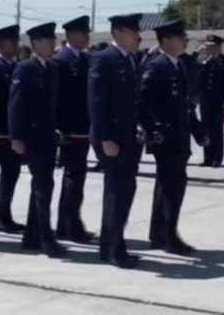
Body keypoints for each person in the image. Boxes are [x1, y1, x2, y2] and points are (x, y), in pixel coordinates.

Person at [138, 20, 209, 257]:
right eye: (181, 38)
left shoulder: (177, 65)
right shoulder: (156, 66)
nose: (184, 43)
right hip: (165, 139)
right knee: (172, 188)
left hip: (179, 137)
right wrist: (155, 128)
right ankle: (168, 236)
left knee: (169, 187)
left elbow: (185, 106)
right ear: (167, 40)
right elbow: (143, 101)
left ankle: (160, 234)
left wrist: (198, 131)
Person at [88, 13, 144, 268]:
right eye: (133, 32)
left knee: (125, 192)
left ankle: (116, 243)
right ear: (118, 33)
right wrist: (105, 139)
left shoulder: (130, 59)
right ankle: (111, 248)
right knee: (116, 194)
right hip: (112, 140)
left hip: (129, 139)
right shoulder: (104, 59)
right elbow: (97, 103)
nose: (137, 37)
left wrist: (140, 126)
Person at [9, 22, 67, 258]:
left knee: (43, 186)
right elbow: (15, 105)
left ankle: (31, 236)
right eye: (48, 40)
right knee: (44, 187)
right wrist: (16, 137)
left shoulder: (51, 68)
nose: (53, 44)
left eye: (53, 40)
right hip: (32, 138)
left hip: (48, 137)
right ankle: (46, 238)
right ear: (36, 43)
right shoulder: (25, 69)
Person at [53, 15, 93, 244]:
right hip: (70, 131)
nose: (88, 36)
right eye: (84, 33)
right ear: (73, 35)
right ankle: (69, 226)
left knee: (77, 178)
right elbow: (58, 99)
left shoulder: (85, 59)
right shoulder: (61, 61)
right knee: (73, 178)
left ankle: (68, 224)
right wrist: (61, 129)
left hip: (82, 129)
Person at [0, 24, 25, 234]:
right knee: (9, 173)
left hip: (13, 130)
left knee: (12, 173)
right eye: (12, 42)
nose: (16, 45)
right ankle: (2, 216)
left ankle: (2, 215)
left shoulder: (15, 66)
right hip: (2, 131)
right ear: (2, 45)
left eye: (16, 41)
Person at [198, 35, 224, 168]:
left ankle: (217, 158)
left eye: (211, 46)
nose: (208, 49)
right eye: (207, 46)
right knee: (206, 129)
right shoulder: (204, 61)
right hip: (206, 101)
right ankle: (208, 158)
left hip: (219, 101)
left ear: (218, 46)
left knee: (217, 130)